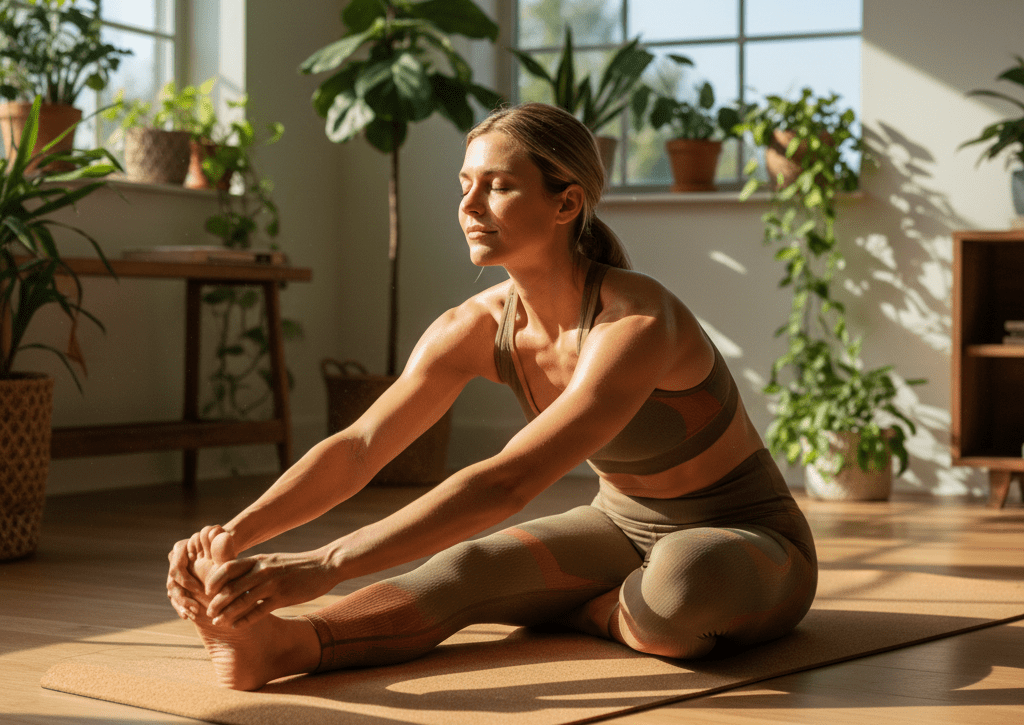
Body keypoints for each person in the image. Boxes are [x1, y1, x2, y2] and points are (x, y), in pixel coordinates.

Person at [166, 102, 817, 692]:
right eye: (465, 185)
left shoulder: (637, 321)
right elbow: (361, 446)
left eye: (499, 187)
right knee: (468, 566)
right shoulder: (472, 326)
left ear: (566, 204)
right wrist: (230, 537)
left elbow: (508, 483)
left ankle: (583, 609)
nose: (470, 206)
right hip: (617, 527)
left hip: (748, 539)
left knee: (679, 587)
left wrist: (325, 563)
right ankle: (281, 645)